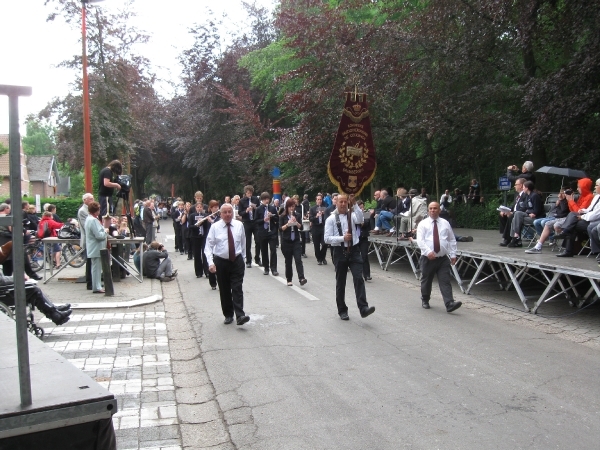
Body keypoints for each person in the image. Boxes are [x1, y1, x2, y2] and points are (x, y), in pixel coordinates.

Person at [324, 194, 375, 321]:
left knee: (359, 278)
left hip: (354, 250)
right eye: (340, 202)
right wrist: (342, 238)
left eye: (345, 202)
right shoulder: (330, 219)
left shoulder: (351, 214)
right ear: (336, 203)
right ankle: (342, 310)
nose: (342, 204)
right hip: (339, 251)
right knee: (341, 282)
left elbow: (360, 219)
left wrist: (355, 204)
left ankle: (363, 308)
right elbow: (327, 239)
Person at [204, 204, 250, 326]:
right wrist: (211, 263)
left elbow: (244, 243)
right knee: (224, 289)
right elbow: (208, 247)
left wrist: (243, 258)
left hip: (237, 261)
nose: (228, 214)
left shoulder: (239, 225)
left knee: (237, 287)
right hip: (221, 261)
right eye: (225, 212)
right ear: (220, 214)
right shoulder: (215, 227)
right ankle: (228, 314)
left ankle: (240, 315)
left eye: (230, 212)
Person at [416, 202, 462, 313]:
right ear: (428, 210)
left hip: (442, 258)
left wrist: (453, 254)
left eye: (435, 208)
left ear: (439, 210)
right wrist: (428, 252)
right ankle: (425, 299)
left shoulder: (445, 223)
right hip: (428, 258)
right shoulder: (423, 224)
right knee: (426, 280)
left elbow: (451, 239)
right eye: (430, 208)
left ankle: (449, 303)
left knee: (445, 280)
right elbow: (420, 240)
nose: (432, 210)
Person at [0, 271, 72, 325]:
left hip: (3, 291)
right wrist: (17, 278)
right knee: (33, 290)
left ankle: (53, 310)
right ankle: (54, 314)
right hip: (3, 294)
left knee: (33, 287)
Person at [554, 178, 600, 258]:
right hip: (585, 217)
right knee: (572, 218)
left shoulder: (590, 196)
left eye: (597, 185)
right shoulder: (596, 197)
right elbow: (587, 209)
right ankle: (566, 233)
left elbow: (596, 214)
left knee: (572, 225)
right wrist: (581, 211)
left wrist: (581, 214)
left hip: (593, 220)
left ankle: (568, 247)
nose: (595, 187)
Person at [505, 180, 544, 248]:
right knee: (517, 216)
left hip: (536, 217)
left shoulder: (535, 196)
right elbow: (526, 208)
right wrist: (528, 212)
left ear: (527, 188)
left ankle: (516, 237)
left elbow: (537, 210)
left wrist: (530, 212)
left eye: (523, 187)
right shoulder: (528, 196)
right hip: (529, 215)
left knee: (517, 216)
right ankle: (516, 237)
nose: (522, 188)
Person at [280, 198, 307, 286]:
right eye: (290, 207)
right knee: (288, 261)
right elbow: (280, 229)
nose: (292, 209)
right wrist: (287, 224)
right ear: (287, 207)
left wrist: (296, 223)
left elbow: (301, 227)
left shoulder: (297, 215)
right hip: (286, 241)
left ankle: (301, 278)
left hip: (295, 240)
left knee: (298, 260)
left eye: (293, 207)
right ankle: (289, 279)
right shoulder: (282, 216)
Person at [84, 202, 108, 293]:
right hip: (96, 247)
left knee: (96, 268)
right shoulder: (93, 220)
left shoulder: (89, 219)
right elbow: (99, 236)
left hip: (93, 247)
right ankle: (97, 287)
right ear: (96, 211)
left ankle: (96, 285)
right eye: (98, 209)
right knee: (96, 268)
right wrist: (105, 231)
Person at [256, 192, 279, 276]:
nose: (267, 201)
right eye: (265, 199)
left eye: (268, 199)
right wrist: (263, 220)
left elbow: (277, 218)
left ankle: (274, 269)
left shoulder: (272, 208)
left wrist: (272, 216)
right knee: (264, 251)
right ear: (262, 200)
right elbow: (256, 221)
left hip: (271, 232)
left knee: (273, 250)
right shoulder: (258, 209)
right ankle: (266, 268)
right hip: (262, 232)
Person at [499, 178, 527, 246]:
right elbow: (514, 206)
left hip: (520, 214)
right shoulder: (518, 195)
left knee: (511, 216)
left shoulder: (525, 195)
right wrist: (505, 210)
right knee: (502, 215)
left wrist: (512, 213)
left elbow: (524, 207)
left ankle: (507, 239)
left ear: (520, 185)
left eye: (516, 184)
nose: (514, 186)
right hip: (515, 212)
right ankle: (506, 236)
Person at [240, 185, 261, 268]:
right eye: (248, 193)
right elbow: (240, 213)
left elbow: (260, 209)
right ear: (245, 193)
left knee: (258, 241)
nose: (249, 194)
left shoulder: (255, 199)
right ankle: (248, 260)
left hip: (255, 222)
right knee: (248, 242)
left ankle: (257, 258)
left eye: (251, 193)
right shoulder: (242, 201)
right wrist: (246, 211)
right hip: (247, 222)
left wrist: (255, 208)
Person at [187, 202, 208, 278]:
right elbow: (190, 226)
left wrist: (203, 222)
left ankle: (207, 271)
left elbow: (207, 226)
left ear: (202, 208)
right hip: (195, 237)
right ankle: (199, 272)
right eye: (198, 207)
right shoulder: (192, 216)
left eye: (200, 207)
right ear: (195, 208)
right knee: (197, 254)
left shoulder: (205, 215)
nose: (199, 208)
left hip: (204, 237)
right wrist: (197, 225)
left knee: (205, 254)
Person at [78, 193, 94, 290]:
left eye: (93, 198)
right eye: (90, 199)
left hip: (91, 239)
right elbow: (86, 226)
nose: (92, 200)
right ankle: (90, 282)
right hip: (88, 240)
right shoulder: (83, 211)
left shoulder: (89, 210)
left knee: (92, 261)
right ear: (85, 200)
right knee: (90, 261)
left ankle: (93, 281)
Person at [309, 194, 328, 265]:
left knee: (325, 243)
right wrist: (316, 216)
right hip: (315, 227)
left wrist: (324, 214)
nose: (319, 201)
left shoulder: (325, 208)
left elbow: (328, 218)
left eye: (320, 199)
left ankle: (323, 257)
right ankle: (319, 259)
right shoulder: (312, 208)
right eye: (318, 199)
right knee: (316, 245)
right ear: (316, 200)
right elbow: (310, 219)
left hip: (323, 227)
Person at [356, 200, 372, 281]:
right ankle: (358, 272)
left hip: (363, 238)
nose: (362, 209)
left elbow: (366, 224)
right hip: (355, 238)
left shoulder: (365, 214)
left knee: (364, 256)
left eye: (362, 207)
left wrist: (361, 221)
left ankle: (367, 274)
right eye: (360, 207)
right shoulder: (353, 214)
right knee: (356, 256)